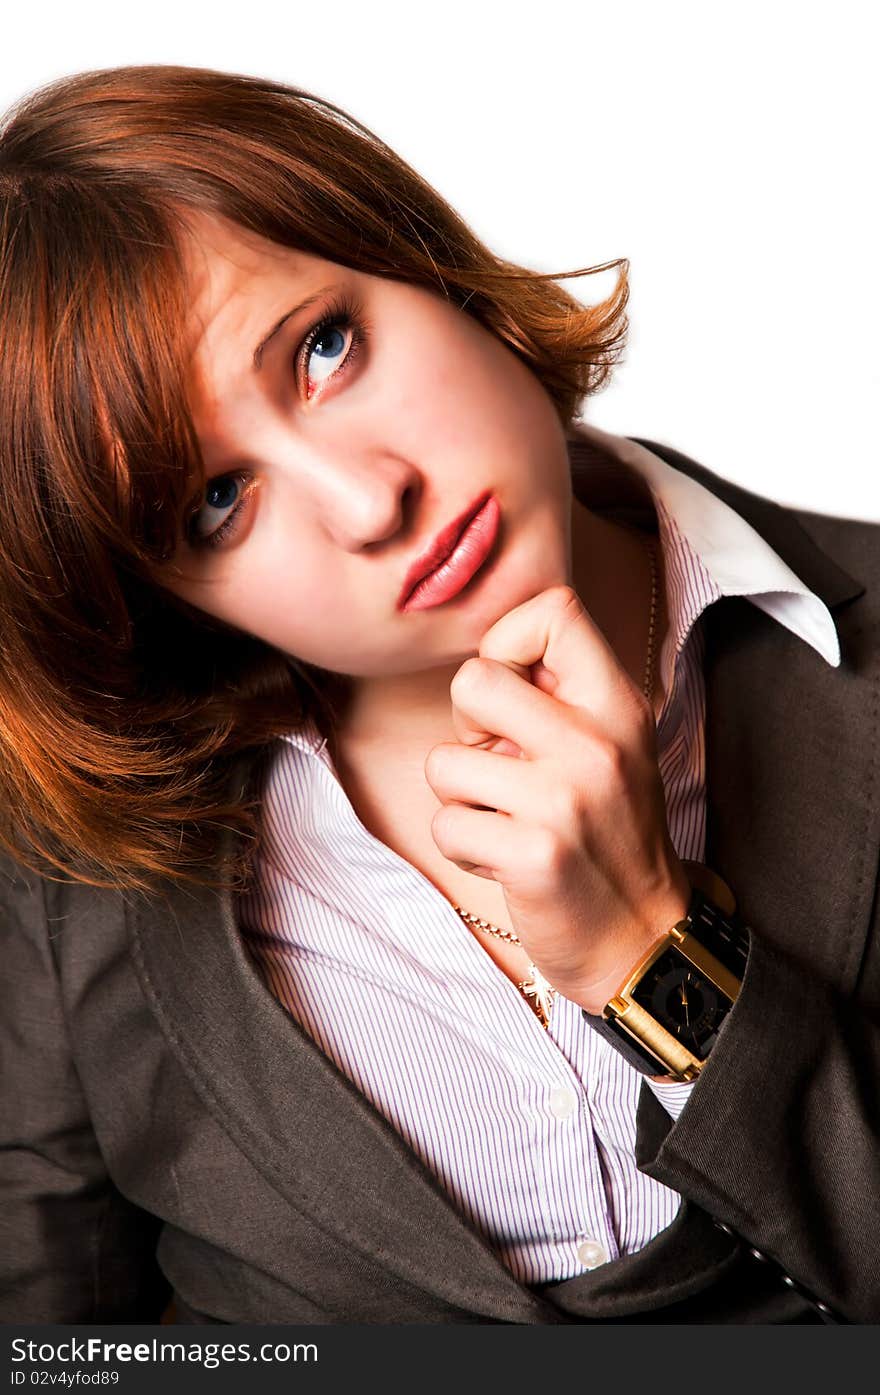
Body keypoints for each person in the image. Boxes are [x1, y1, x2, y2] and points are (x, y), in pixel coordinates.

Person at [0, 63, 877, 1327]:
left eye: (323, 347)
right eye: (214, 502)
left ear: (417, 259)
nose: (369, 502)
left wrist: (654, 952)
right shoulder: (78, 872)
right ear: (162, 597)